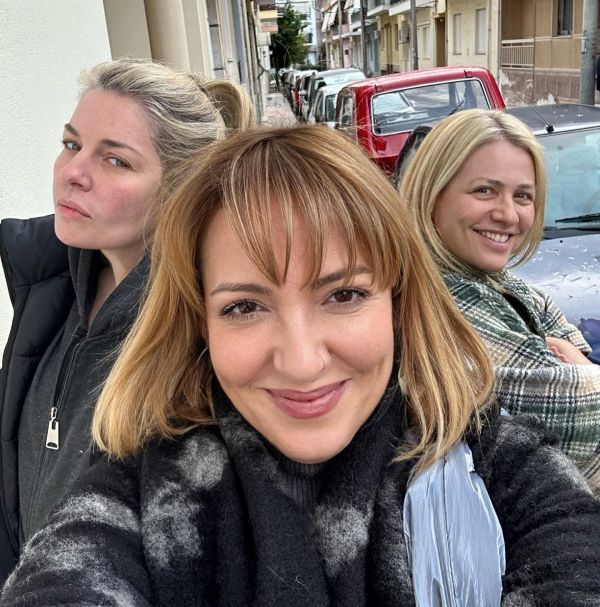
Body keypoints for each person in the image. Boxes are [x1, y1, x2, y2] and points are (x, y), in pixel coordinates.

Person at [2, 125, 600, 606]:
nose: (302, 361)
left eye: (343, 295)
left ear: (398, 301)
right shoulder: (132, 492)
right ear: (198, 324)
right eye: (244, 306)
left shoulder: (501, 465)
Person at [0, 57, 253, 583]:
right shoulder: (49, 287)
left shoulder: (198, 339)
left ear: (179, 187)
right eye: (71, 144)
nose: (72, 172)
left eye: (115, 160)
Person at [399, 108, 600, 494]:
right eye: (484, 190)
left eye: (522, 196)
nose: (508, 215)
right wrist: (584, 374)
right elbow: (576, 411)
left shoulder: (504, 284)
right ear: (432, 192)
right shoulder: (438, 297)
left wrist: (584, 374)